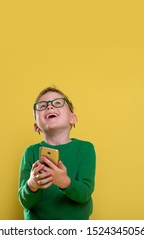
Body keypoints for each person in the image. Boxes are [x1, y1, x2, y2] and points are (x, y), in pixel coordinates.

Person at [18, 87, 96, 220]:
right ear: (36, 126)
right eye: (42, 106)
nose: (49, 107)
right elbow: (26, 202)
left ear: (72, 118)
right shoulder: (30, 152)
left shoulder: (85, 149)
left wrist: (65, 182)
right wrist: (32, 184)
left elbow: (84, 194)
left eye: (58, 103)